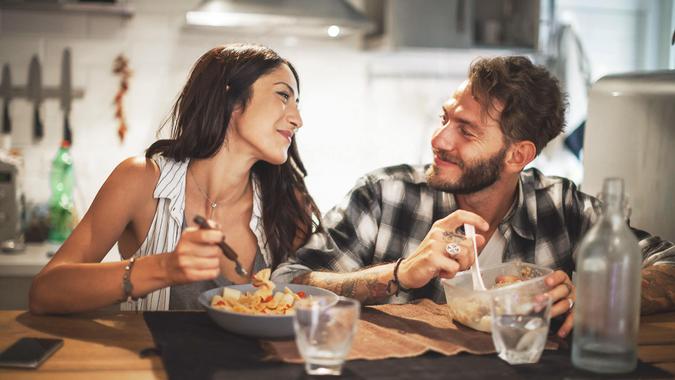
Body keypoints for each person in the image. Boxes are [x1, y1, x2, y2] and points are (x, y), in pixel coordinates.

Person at [272, 56, 675, 338]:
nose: (439, 139)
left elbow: (670, 263)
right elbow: (286, 283)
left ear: (519, 155)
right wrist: (397, 274)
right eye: (445, 118)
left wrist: (596, 295)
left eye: (466, 131)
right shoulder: (384, 195)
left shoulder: (561, 207)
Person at [30, 43, 322, 313]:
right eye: (283, 96)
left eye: (297, 102)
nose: (298, 119)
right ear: (230, 98)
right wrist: (164, 268)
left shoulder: (288, 206)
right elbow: (45, 292)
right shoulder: (140, 181)